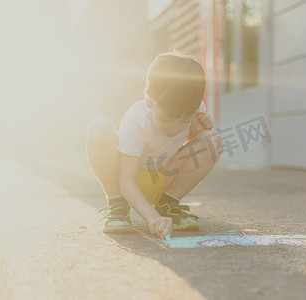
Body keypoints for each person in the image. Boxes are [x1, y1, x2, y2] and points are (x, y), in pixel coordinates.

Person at [86, 51, 224, 239]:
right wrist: (153, 219)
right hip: (125, 179)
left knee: (212, 140)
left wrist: (200, 129)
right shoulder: (137, 120)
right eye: (167, 119)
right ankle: (117, 206)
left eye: (184, 120)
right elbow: (127, 182)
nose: (175, 128)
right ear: (149, 101)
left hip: (160, 176)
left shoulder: (194, 107)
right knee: (99, 127)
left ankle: (167, 204)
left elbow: (194, 147)